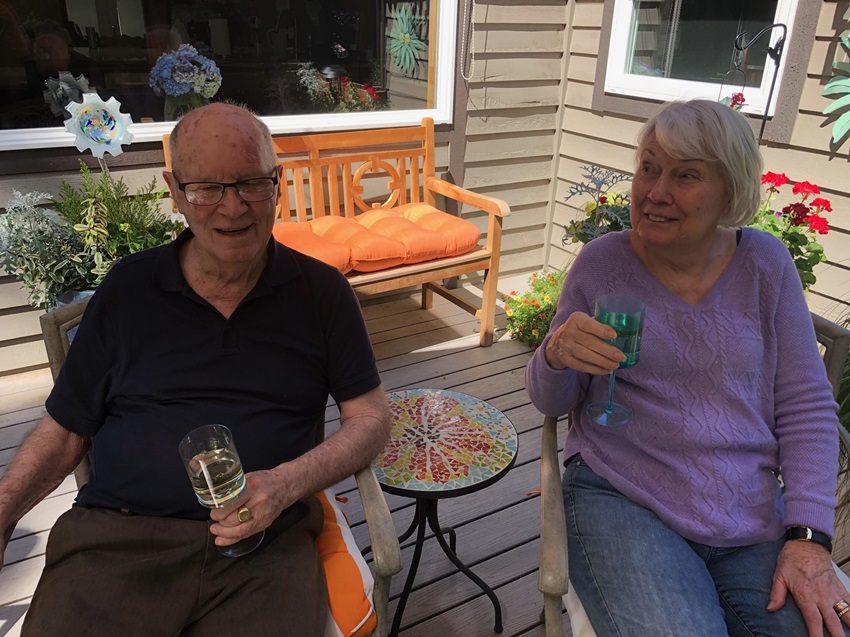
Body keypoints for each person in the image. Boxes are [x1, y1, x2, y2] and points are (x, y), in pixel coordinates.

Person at [0, 102, 391, 636]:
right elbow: (67, 429)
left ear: (277, 184)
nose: (233, 208)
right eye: (207, 187)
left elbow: (370, 419)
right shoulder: (128, 290)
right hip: (118, 546)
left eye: (251, 182)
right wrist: (3, 513)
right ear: (176, 190)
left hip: (264, 546)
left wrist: (283, 484)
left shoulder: (323, 295)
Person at [526, 99, 849, 637]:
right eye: (649, 167)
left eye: (686, 175)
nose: (655, 191)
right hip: (624, 495)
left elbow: (807, 406)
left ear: (731, 190)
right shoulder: (602, 263)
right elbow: (552, 400)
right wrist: (555, 353)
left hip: (748, 512)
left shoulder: (767, 265)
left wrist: (809, 535)